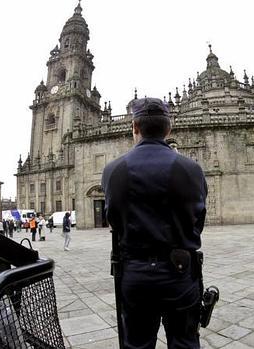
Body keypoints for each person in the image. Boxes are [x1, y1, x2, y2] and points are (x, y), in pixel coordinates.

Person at [101, 97, 208, 349]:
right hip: (180, 271)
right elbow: (198, 218)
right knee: (185, 342)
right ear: (168, 129)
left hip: (135, 273)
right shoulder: (191, 169)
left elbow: (113, 219)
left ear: (134, 127)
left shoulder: (113, 170)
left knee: (137, 344)